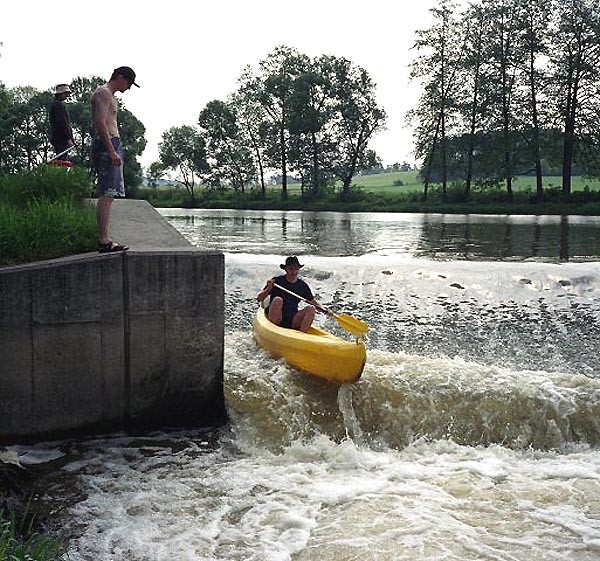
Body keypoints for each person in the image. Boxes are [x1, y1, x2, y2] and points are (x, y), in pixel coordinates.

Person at [90, 66, 140, 253]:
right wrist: (111, 150)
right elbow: (100, 122)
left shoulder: (109, 95)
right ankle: (104, 240)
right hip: (107, 144)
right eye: (128, 83)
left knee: (109, 195)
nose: (128, 88)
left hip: (111, 142)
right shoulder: (103, 93)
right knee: (107, 193)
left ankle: (105, 238)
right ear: (120, 77)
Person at [257, 256, 329, 332]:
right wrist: (268, 288)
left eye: (296, 269)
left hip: (293, 319)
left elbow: (313, 302)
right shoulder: (276, 281)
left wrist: (325, 310)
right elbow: (259, 299)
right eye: (291, 268)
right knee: (278, 300)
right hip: (277, 318)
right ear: (285, 269)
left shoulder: (302, 286)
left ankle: (302, 335)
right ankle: (271, 330)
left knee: (311, 308)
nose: (293, 272)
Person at [49, 84, 74, 159]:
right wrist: (68, 138)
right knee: (62, 160)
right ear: (60, 94)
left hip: (58, 138)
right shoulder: (58, 106)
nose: (67, 96)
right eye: (65, 94)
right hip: (61, 138)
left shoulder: (56, 105)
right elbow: (62, 123)